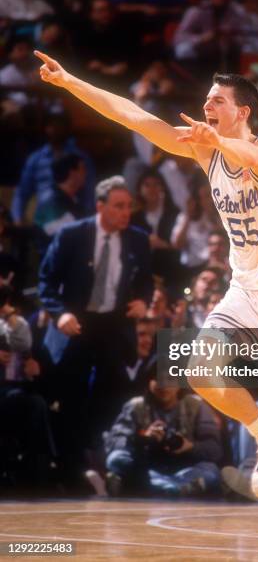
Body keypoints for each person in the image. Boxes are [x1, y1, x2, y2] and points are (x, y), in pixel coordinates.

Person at [34, 49, 258, 549]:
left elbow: (252, 157)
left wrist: (221, 144)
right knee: (198, 369)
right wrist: (71, 80)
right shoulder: (205, 149)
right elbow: (134, 116)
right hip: (246, 288)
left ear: (242, 111)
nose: (207, 107)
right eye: (206, 100)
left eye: (217, 101)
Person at [38, 175, 153, 485]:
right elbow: (46, 281)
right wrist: (59, 314)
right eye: (118, 207)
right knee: (71, 398)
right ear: (100, 206)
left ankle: (107, 465)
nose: (125, 213)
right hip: (77, 322)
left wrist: (143, 301)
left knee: (111, 398)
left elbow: (146, 281)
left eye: (128, 206)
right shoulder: (73, 234)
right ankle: (70, 469)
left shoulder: (138, 239)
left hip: (113, 325)